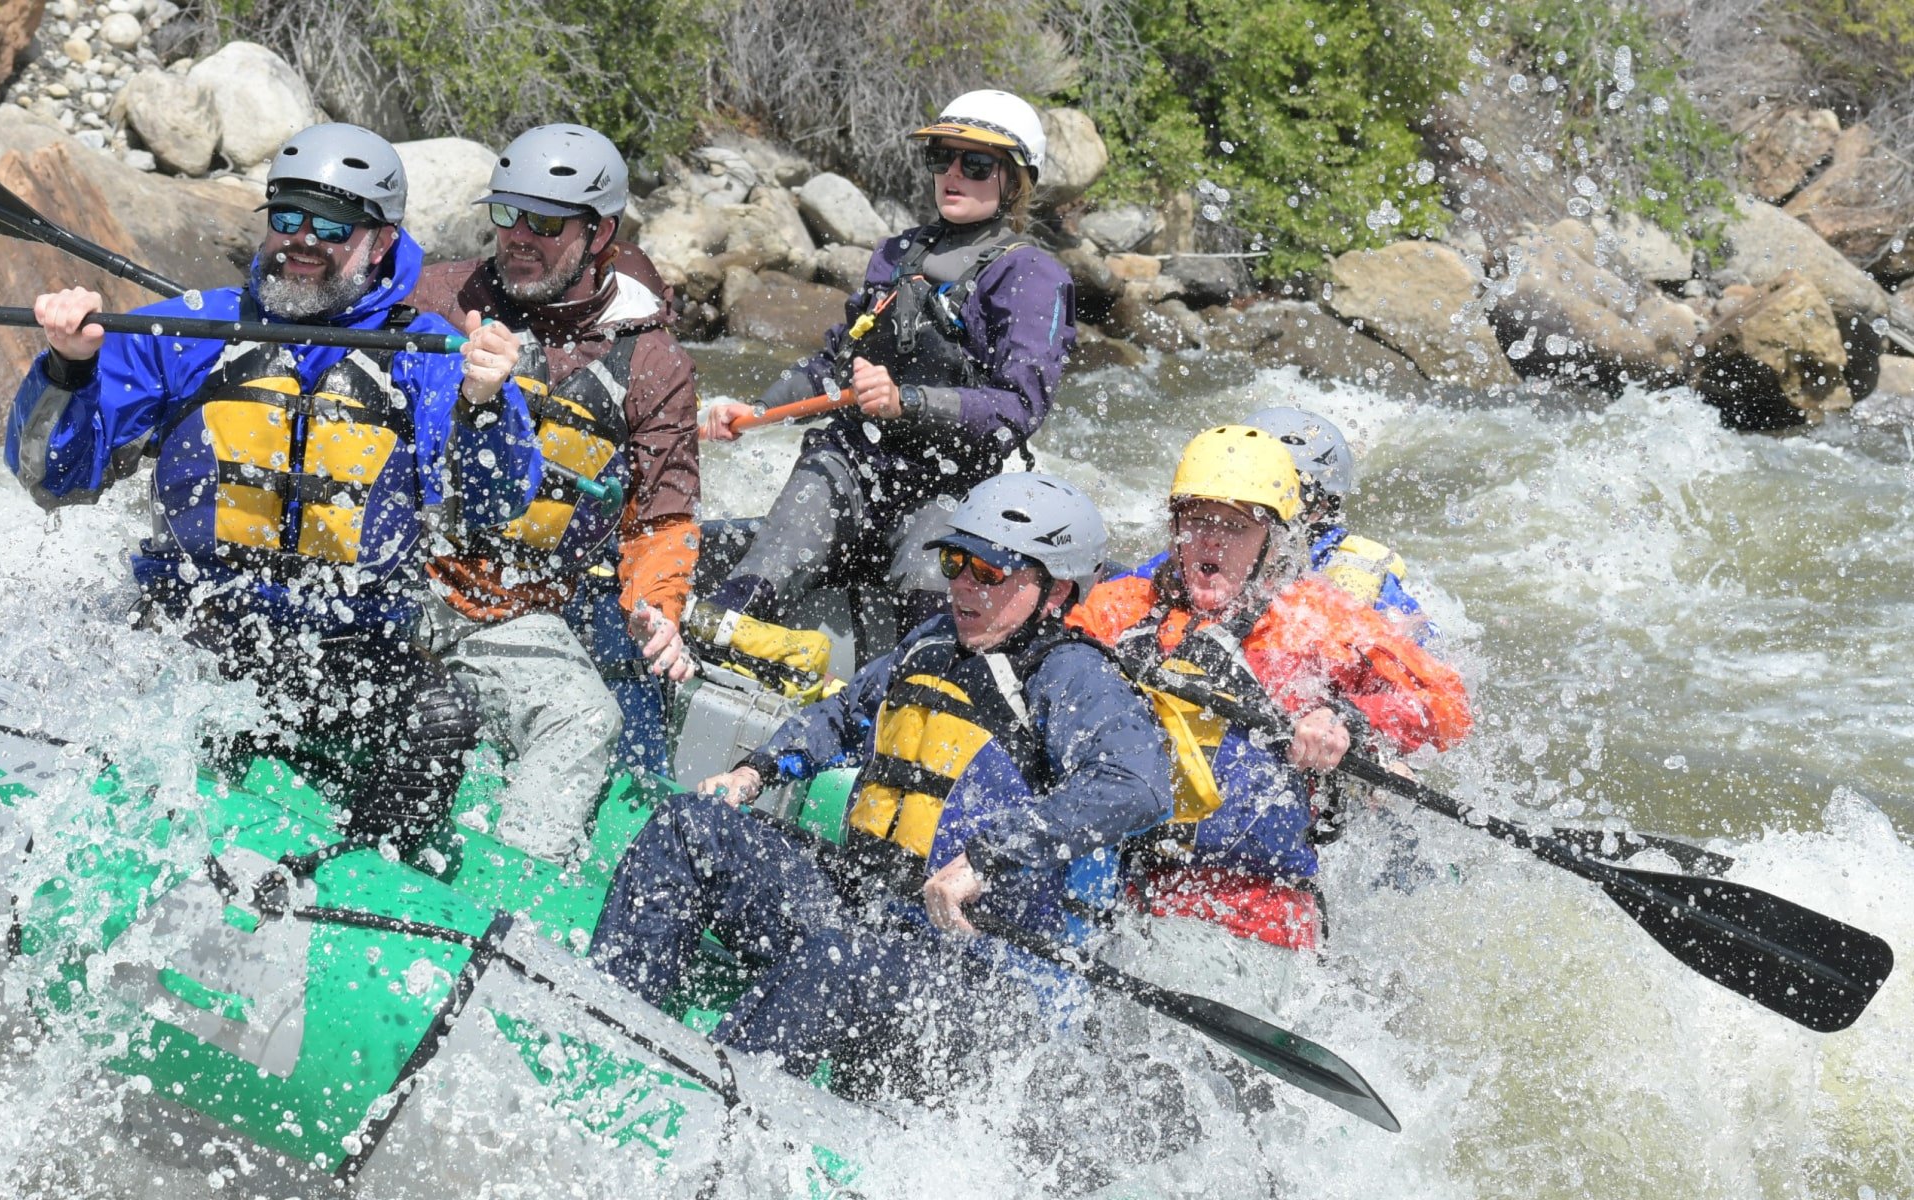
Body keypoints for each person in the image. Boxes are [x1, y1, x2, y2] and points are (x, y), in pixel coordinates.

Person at [4, 124, 539, 842]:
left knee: (439, 714)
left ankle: (368, 877)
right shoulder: (190, 331)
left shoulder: (427, 358)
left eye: (332, 226)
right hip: (193, 620)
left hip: (346, 643)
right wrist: (71, 367)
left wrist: (486, 407)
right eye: (286, 216)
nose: (303, 239)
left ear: (380, 242)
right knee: (119, 670)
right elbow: (52, 480)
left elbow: (496, 508)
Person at [592, 474, 1173, 1097]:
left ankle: (710, 1108)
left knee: (838, 957)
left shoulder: (1073, 676)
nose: (963, 585)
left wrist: (984, 861)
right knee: (691, 825)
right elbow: (842, 716)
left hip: (976, 975)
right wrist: (756, 770)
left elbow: (1138, 785)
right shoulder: (930, 644)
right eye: (955, 561)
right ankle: (603, 1025)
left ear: (1054, 590)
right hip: (867, 909)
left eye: (990, 571)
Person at [405, 124, 703, 856]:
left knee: (589, 719)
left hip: (507, 612)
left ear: (599, 232)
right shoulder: (435, 296)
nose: (518, 238)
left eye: (544, 222)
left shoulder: (653, 363)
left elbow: (660, 519)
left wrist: (658, 611)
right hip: (399, 578)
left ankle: (511, 894)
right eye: (507, 214)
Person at [695, 90, 1078, 654]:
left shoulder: (1033, 275)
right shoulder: (897, 253)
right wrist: (756, 411)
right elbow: (837, 363)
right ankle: (716, 651)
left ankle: (912, 686)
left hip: (951, 485)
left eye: (975, 165)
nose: (952, 174)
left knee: (932, 593)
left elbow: (1018, 409)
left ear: (1015, 181)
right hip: (853, 464)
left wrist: (909, 401)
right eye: (941, 158)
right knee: (773, 556)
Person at [1067, 425, 1473, 950]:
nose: (1210, 540)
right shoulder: (1121, 609)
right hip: (1115, 893)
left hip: (1255, 912)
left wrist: (1347, 719)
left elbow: (1446, 703)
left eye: (1234, 526)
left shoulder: (1316, 621)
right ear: (1173, 530)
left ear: (1274, 542)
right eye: (1196, 520)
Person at [1124, 406, 1428, 634]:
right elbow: (1133, 587)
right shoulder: (1200, 546)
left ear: (1320, 507)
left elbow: (1422, 649)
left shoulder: (1352, 573)